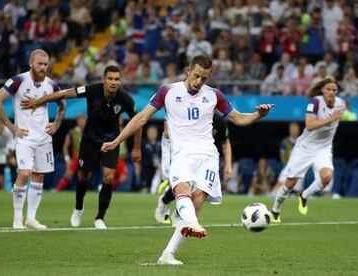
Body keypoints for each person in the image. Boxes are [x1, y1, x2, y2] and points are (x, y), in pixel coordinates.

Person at [100, 55, 274, 265]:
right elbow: (141, 118)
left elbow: (238, 118)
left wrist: (258, 115)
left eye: (205, 78)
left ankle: (168, 254)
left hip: (208, 155)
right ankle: (192, 222)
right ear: (188, 70)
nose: (199, 82)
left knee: (198, 200)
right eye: (197, 76)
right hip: (182, 153)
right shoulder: (168, 91)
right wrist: (117, 140)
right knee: (182, 189)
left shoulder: (214, 95)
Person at [20, 65, 142, 229]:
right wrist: (38, 101)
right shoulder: (92, 90)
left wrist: (136, 148)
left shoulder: (125, 99)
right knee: (83, 176)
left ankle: (99, 218)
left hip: (111, 141)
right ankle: (78, 207)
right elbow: (64, 93)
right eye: (110, 78)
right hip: (89, 141)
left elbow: (138, 122)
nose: (114, 82)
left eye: (117, 79)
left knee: (109, 177)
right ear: (103, 80)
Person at [0, 49, 66, 230]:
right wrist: (12, 127)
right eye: (40, 63)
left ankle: (31, 219)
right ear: (31, 63)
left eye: (46, 64)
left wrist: (56, 123)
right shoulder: (18, 81)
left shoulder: (52, 85)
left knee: (39, 175)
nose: (43, 67)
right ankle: (17, 218)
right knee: (24, 173)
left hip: (44, 138)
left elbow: (62, 105)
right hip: (24, 137)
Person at [271, 76, 345, 223]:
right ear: (323, 90)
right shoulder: (315, 103)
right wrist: (331, 119)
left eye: (334, 90)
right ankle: (275, 210)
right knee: (290, 183)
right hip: (305, 147)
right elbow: (310, 125)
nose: (331, 92)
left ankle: (304, 195)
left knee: (326, 177)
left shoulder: (340, 104)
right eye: (328, 89)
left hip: (323, 148)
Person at [154, 112, 233, 225]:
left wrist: (228, 165)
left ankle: (179, 215)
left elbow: (225, 142)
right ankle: (164, 201)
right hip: (185, 153)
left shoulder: (218, 121)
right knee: (182, 185)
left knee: (199, 190)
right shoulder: (188, 114)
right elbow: (168, 133)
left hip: (205, 158)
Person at [55, 113, 86, 192]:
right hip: (76, 158)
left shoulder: (89, 132)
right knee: (68, 174)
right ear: (77, 122)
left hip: (86, 158)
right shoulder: (72, 132)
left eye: (83, 120)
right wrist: (67, 159)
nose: (82, 122)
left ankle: (81, 192)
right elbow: (65, 146)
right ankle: (56, 190)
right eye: (80, 120)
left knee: (83, 177)